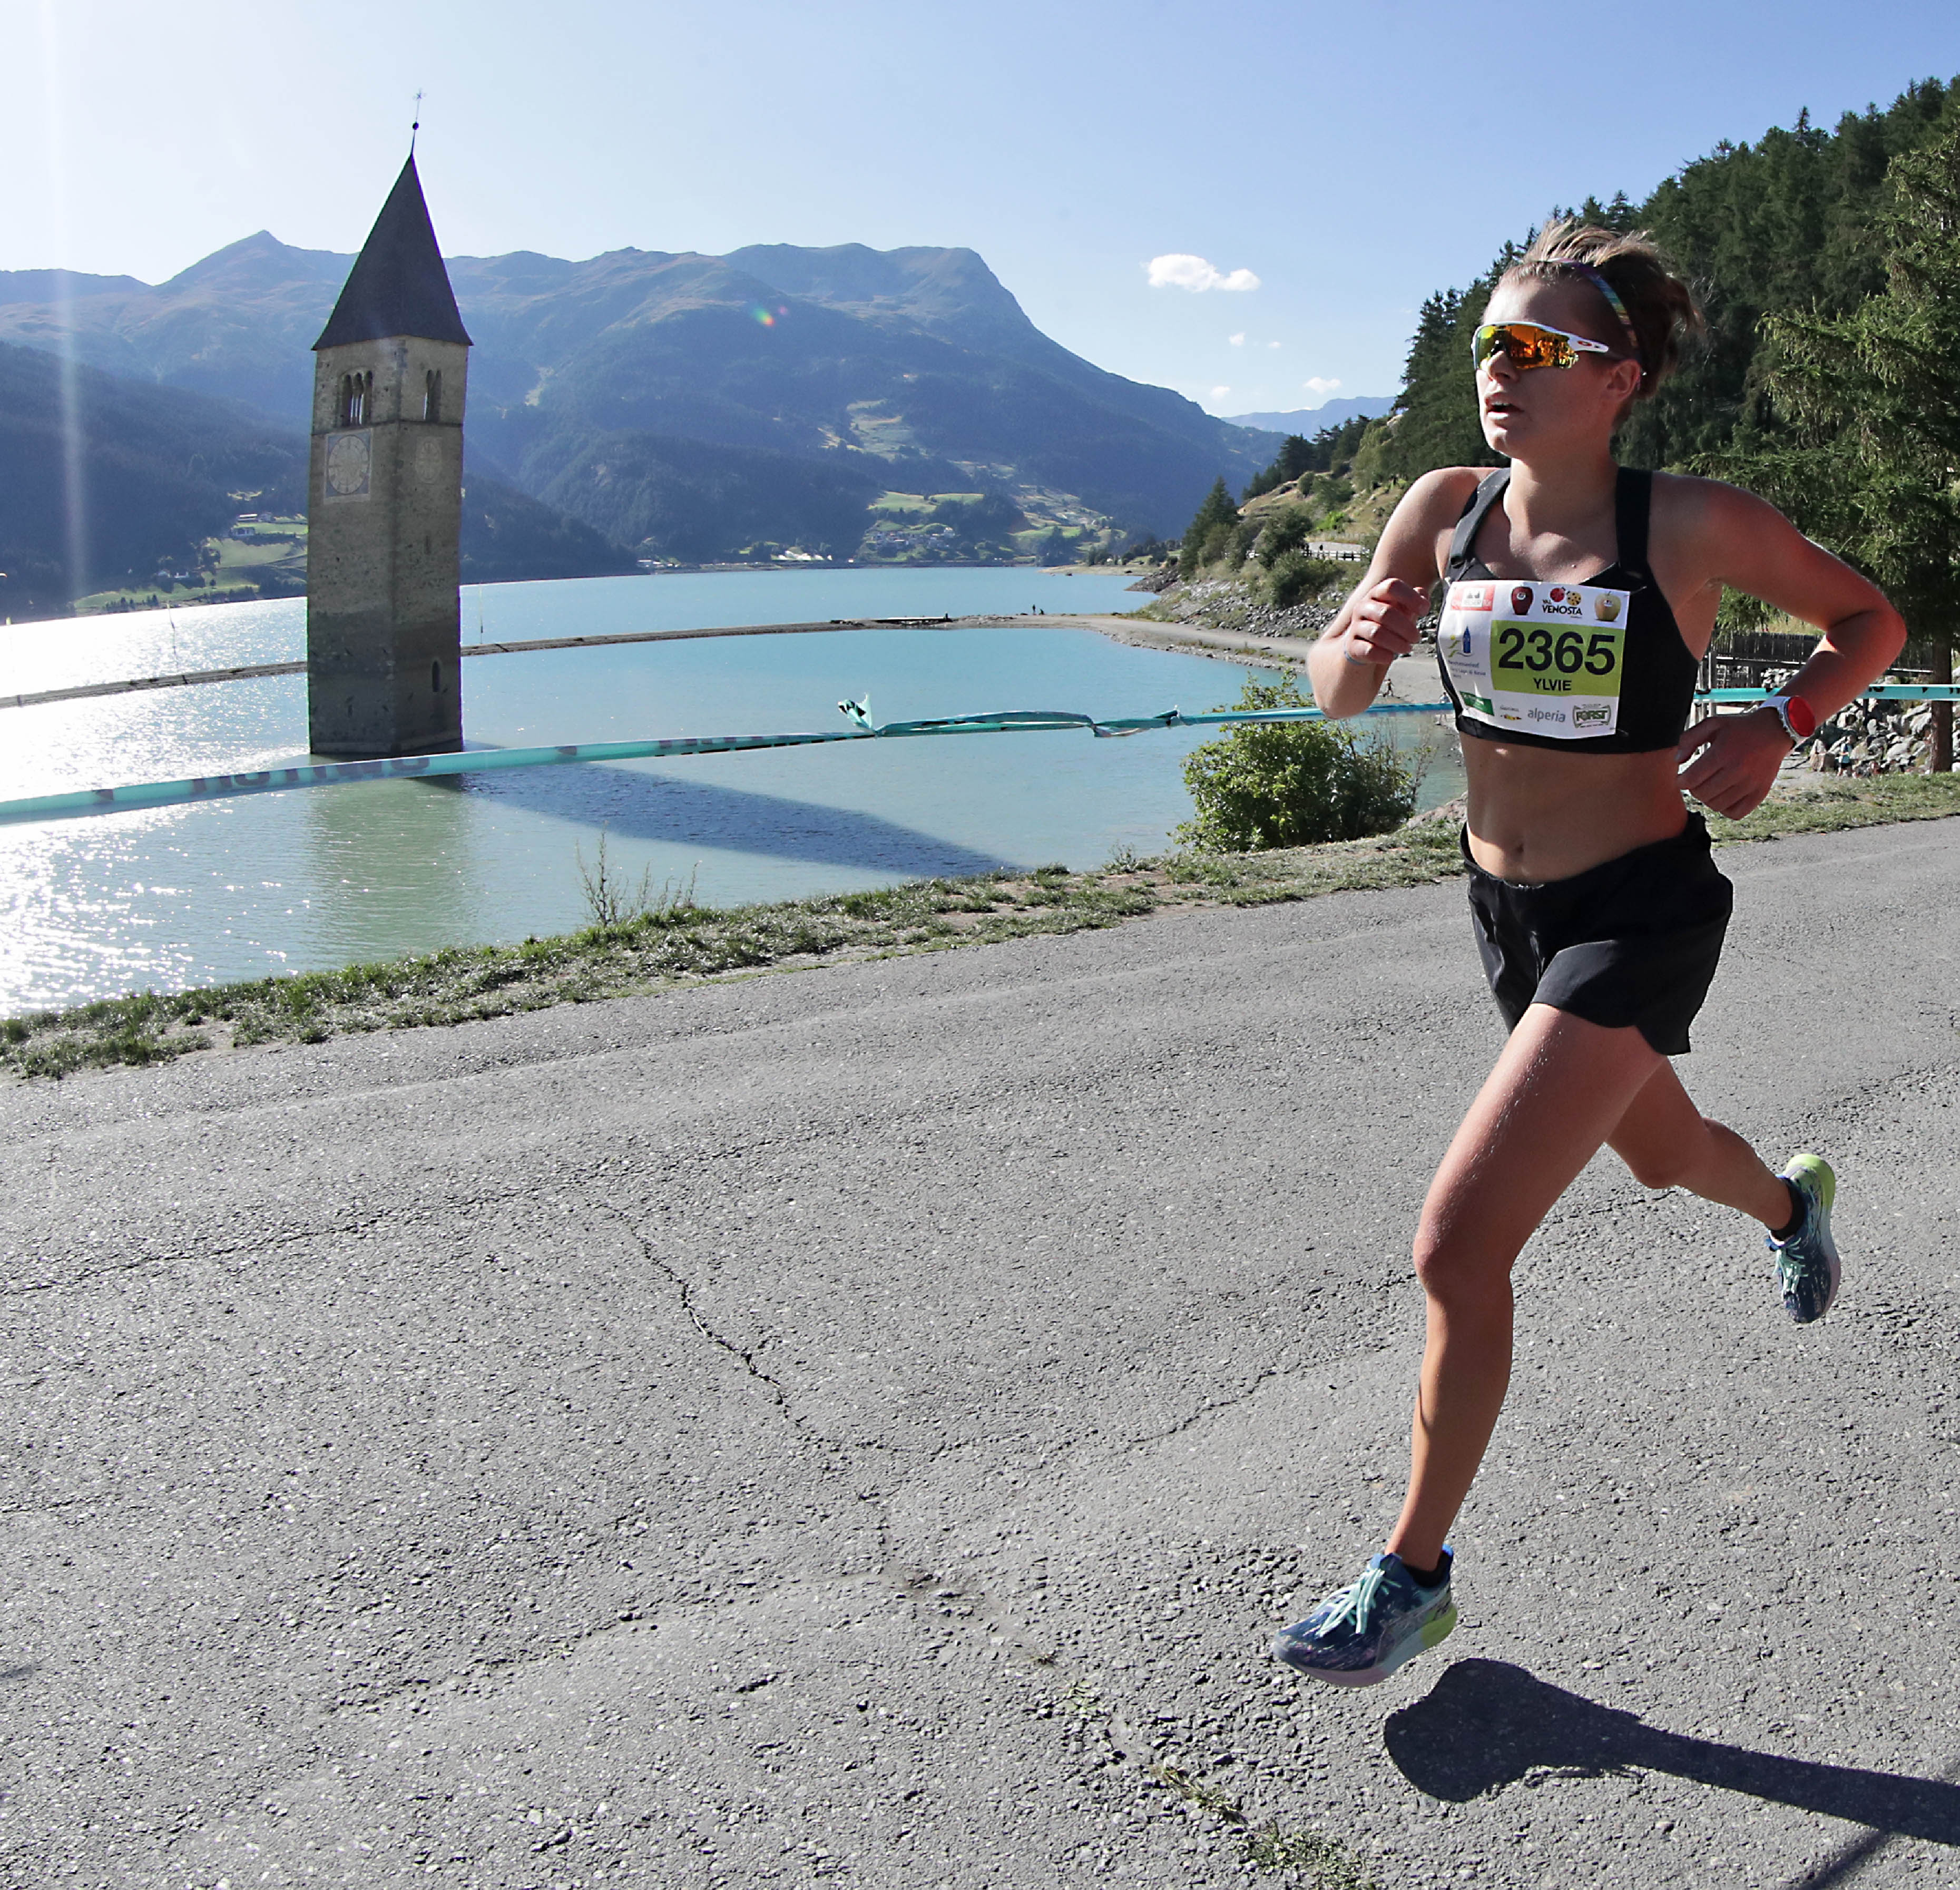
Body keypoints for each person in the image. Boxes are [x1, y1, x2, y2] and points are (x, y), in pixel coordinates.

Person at [1275, 220, 1906, 1688]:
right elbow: (1330, 691)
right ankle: (1789, 1204)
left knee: (1457, 1242)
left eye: (1543, 350)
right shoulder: (1443, 508)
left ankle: (1412, 1572)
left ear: (1619, 380)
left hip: (1641, 907)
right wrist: (1354, 646)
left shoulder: (1688, 524)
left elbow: (1870, 619)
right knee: (1662, 1153)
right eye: (1494, 342)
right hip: (1506, 911)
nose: (1506, 370)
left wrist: (1781, 726)